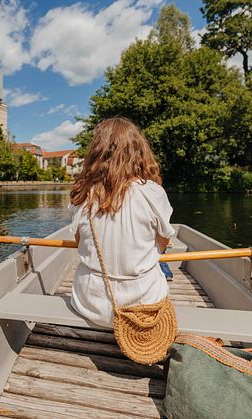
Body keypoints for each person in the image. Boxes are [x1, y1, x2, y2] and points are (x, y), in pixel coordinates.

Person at [68, 117, 174, 328]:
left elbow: (79, 241)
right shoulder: (153, 192)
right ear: (139, 151)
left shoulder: (82, 194)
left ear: (97, 153)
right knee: (158, 264)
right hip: (142, 304)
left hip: (91, 304)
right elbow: (162, 244)